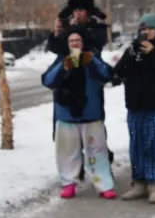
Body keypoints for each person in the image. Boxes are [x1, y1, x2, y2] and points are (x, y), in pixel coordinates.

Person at [112, 13, 155, 204]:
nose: (146, 32)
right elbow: (118, 72)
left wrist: (153, 53)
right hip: (136, 107)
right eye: (143, 29)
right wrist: (132, 53)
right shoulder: (133, 50)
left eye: (150, 29)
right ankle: (139, 183)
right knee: (137, 146)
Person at [42, 27, 116, 199]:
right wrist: (63, 66)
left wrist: (91, 61)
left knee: (97, 152)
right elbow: (48, 80)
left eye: (78, 40)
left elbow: (107, 74)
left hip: (91, 114)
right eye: (71, 41)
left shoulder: (92, 57)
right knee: (67, 153)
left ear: (83, 43)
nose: (74, 44)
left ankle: (104, 185)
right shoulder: (61, 58)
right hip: (66, 114)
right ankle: (68, 183)